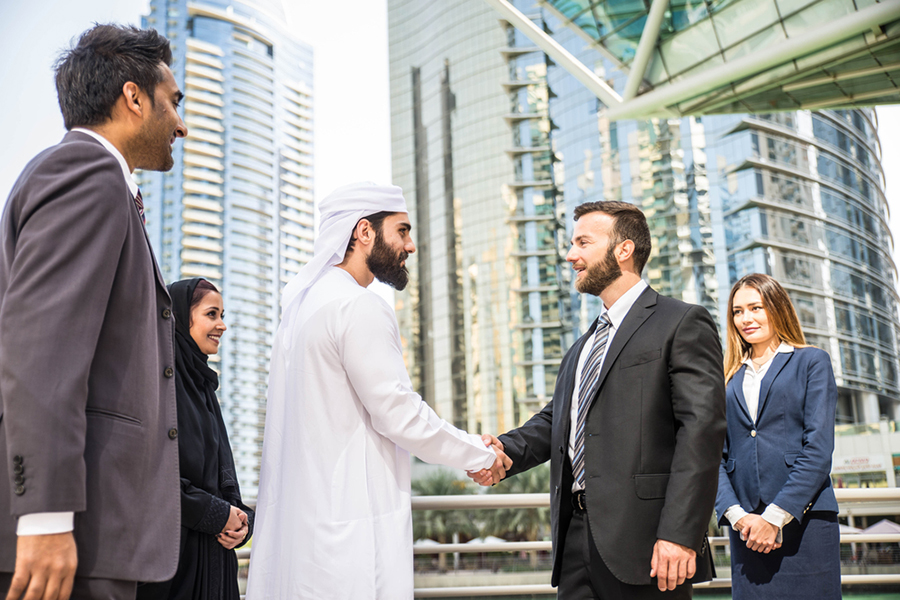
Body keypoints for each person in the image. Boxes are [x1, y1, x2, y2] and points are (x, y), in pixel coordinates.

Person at [245, 182, 511, 600]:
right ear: (363, 232)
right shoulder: (358, 305)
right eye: (402, 231)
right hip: (351, 550)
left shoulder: (303, 309)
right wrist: (480, 453)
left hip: (308, 541)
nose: (410, 246)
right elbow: (400, 414)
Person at [0, 24, 187, 600]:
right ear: (135, 97)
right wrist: (46, 515)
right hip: (71, 534)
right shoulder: (89, 174)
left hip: (94, 534)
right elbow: (40, 351)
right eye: (174, 101)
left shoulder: (92, 179)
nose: (182, 122)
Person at [471, 201, 726, 599]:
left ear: (623, 250)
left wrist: (680, 533)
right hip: (575, 540)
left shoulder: (681, 322)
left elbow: (701, 433)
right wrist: (504, 450)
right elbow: (558, 421)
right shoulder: (582, 346)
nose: (571, 255)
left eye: (583, 242)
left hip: (649, 544)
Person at [715, 273, 840, 598]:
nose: (746, 318)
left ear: (777, 307)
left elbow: (818, 449)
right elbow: (713, 455)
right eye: (737, 311)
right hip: (747, 528)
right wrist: (738, 516)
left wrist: (773, 518)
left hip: (804, 521)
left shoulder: (811, 361)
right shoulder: (726, 376)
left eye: (755, 307)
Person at [137, 279, 253, 600]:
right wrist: (218, 514)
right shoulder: (158, 385)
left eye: (222, 315)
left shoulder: (205, 389)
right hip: (176, 566)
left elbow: (223, 477)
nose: (222, 325)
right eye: (211, 314)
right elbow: (151, 478)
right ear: (176, 318)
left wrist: (242, 523)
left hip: (216, 564)